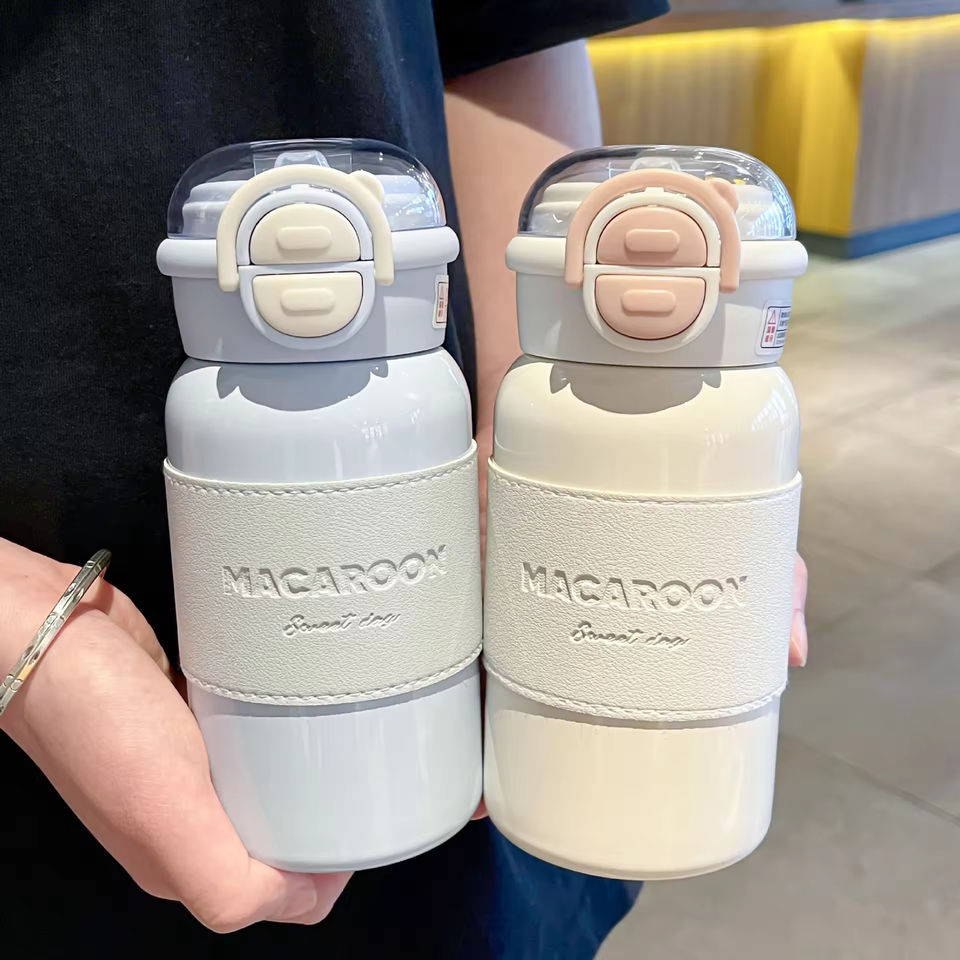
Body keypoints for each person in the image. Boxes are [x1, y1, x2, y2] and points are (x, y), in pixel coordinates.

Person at [0, 2, 809, 956]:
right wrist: (23, 627)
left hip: (451, 781)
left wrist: (519, 442)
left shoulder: (494, 398)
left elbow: (511, 32)